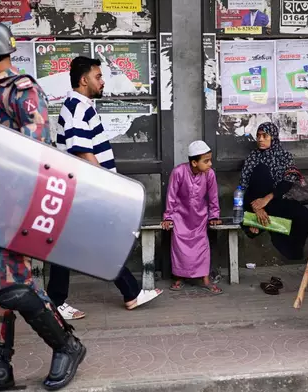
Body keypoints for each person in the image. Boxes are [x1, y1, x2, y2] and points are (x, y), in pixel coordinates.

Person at [0, 21, 85, 392]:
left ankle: (67, 345)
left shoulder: (22, 92)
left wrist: (16, 213)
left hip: (6, 212)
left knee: (15, 287)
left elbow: (37, 158)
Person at [48, 55, 163, 320]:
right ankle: (129, 293)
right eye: (98, 77)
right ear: (83, 79)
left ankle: (129, 293)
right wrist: (104, 185)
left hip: (82, 189)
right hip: (85, 189)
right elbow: (81, 151)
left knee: (78, 243)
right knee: (95, 242)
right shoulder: (77, 106)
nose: (102, 81)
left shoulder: (81, 105)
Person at [239, 122, 308, 295]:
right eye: (259, 136)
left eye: (265, 136)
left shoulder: (284, 156)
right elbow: (244, 187)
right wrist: (257, 207)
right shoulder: (253, 158)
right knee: (261, 172)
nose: (261, 140)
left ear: (274, 137)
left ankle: (293, 252)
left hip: (276, 200)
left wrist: (267, 199)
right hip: (254, 203)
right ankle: (259, 220)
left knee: (303, 214)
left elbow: (289, 180)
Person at [161, 141, 222, 294]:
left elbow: (214, 197)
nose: (210, 164)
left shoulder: (210, 174)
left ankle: (205, 279)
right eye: (206, 161)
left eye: (210, 160)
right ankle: (178, 278)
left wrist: (214, 215)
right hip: (180, 217)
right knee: (179, 247)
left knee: (202, 247)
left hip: (200, 217)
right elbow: (171, 196)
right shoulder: (178, 172)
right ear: (194, 162)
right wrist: (168, 217)